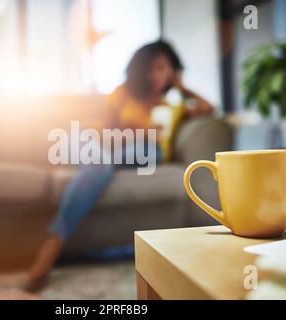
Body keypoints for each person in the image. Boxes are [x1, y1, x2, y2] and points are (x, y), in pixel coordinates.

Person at [24, 40, 213, 290]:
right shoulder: (122, 94)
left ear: (173, 72)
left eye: (164, 68)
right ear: (140, 70)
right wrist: (139, 133)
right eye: (152, 68)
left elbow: (208, 109)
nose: (158, 75)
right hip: (89, 142)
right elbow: (100, 131)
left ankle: (97, 177)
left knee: (149, 151)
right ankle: (50, 247)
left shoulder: (170, 107)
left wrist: (182, 87)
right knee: (105, 163)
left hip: (125, 156)